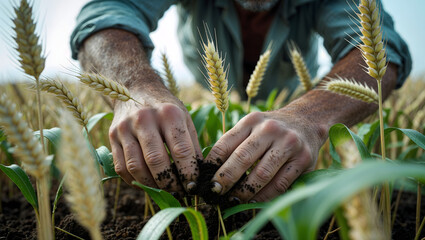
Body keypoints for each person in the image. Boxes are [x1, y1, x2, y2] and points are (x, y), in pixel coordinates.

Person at [71, 0, 411, 203]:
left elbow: (380, 52)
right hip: (209, 84)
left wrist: (309, 117)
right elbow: (107, 10)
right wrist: (134, 87)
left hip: (290, 88)